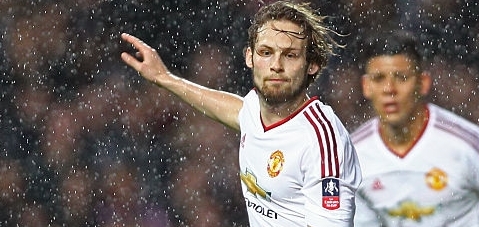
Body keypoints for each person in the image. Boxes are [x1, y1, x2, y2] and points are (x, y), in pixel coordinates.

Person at [119, 1, 362, 226]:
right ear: (250, 57)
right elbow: (238, 111)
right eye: (266, 52)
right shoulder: (256, 107)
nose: (276, 65)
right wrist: (164, 78)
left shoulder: (322, 143)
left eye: (290, 55)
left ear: (312, 65)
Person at [350, 30, 479, 227]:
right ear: (366, 86)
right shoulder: (352, 156)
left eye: (401, 78)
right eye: (379, 79)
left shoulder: (466, 144)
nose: (389, 90)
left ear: (423, 83)